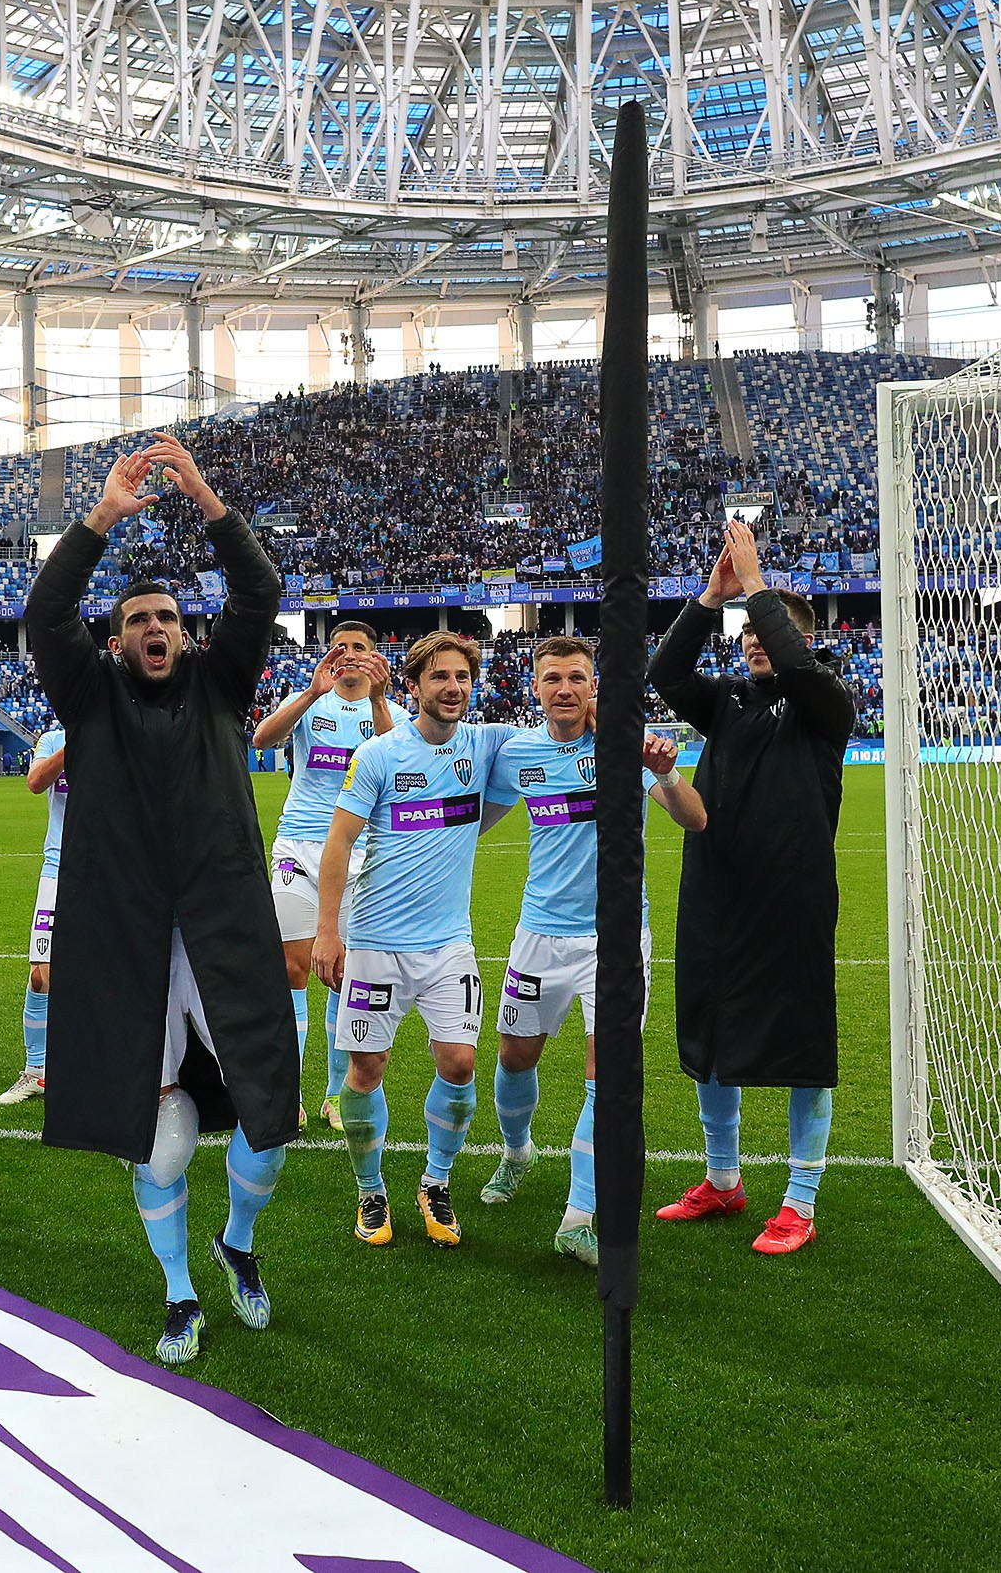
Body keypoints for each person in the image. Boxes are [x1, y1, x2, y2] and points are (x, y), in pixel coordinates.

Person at [26, 435, 299, 1368]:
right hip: (126, 939)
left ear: (186, 633)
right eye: (138, 617)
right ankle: (181, 1290)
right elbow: (45, 611)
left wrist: (210, 502)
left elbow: (259, 591)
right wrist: (103, 515)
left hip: (227, 930)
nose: (155, 626)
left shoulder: (223, 686)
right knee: (162, 1140)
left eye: (168, 616)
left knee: (270, 1119)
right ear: (116, 639)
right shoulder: (89, 696)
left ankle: (238, 1243)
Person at [645, 521, 853, 1258]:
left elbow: (797, 666)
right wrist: (710, 597)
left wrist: (759, 585)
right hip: (715, 891)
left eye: (768, 631)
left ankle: (800, 1200)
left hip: (792, 898)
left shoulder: (827, 703)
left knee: (802, 1043)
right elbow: (666, 673)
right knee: (710, 1032)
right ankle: (723, 1179)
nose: (756, 642)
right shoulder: (728, 700)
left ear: (801, 638)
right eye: (749, 634)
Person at [473, 638, 706, 1263]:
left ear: (593, 686)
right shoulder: (517, 754)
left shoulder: (623, 747)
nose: (565, 688)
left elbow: (694, 818)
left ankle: (578, 1217)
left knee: (608, 1077)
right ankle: (516, 1152)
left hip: (617, 940)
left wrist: (665, 772)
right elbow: (476, 821)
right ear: (535, 688)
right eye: (553, 678)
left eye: (577, 677)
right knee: (515, 1057)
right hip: (538, 935)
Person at [313, 630, 508, 1250]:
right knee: (366, 1069)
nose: (453, 688)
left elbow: (558, 740)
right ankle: (370, 1191)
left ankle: (435, 1182)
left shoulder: (487, 744)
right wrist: (327, 931)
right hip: (375, 943)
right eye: (439, 677)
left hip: (449, 943)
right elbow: (339, 841)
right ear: (415, 684)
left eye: (462, 677)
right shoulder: (378, 754)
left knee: (461, 1063)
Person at [251, 621, 400, 1129]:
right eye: (341, 647)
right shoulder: (310, 700)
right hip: (298, 845)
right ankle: (288, 1093)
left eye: (360, 647)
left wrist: (378, 700)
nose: (350, 654)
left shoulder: (390, 713)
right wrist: (313, 692)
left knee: (343, 975)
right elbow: (262, 739)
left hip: (359, 854)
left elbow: (399, 763)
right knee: (292, 968)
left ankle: (335, 1094)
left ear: (374, 656)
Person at [0, 725, 66, 1106]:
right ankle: (35, 1070)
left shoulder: (118, 728)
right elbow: (36, 781)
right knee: (41, 976)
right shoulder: (54, 739)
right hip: (56, 870)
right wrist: (78, 743)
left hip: (108, 872)